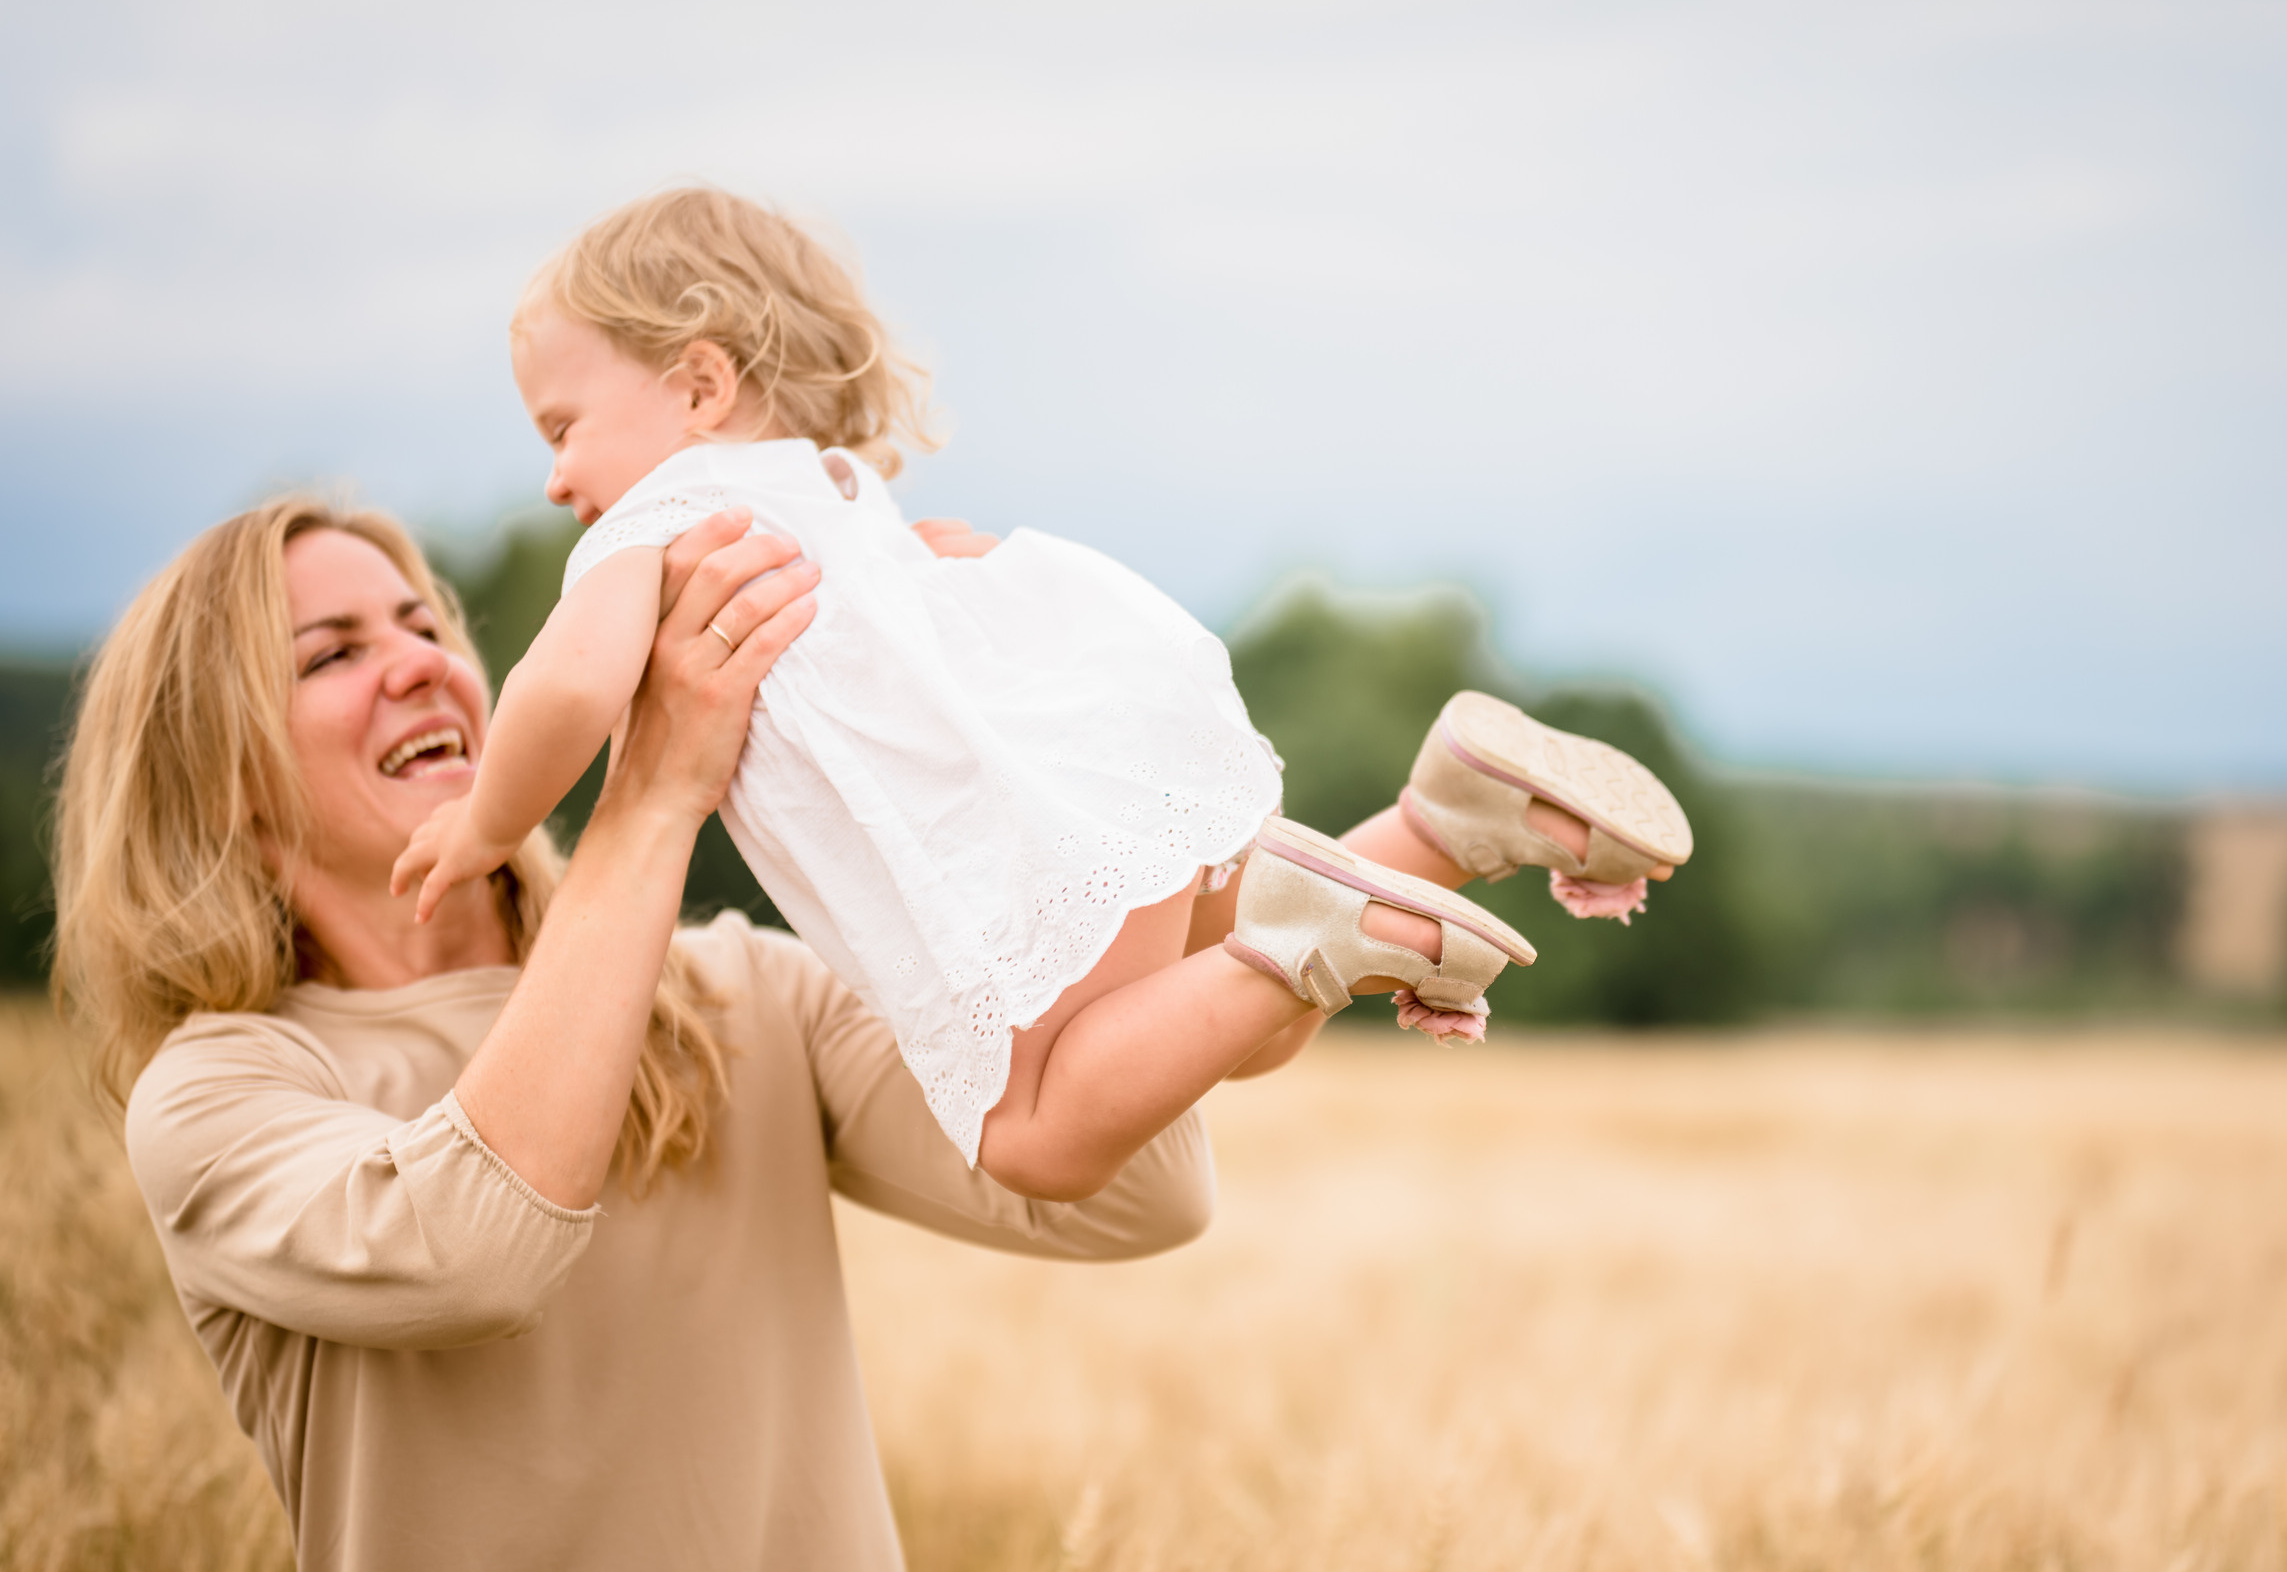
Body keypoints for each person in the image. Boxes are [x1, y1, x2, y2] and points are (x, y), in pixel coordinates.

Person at [50, 488, 1689, 1572]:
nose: (417, 664)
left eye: (424, 623)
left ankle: (1424, 831)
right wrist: (658, 792)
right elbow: (480, 1236)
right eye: (334, 652)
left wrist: (1335, 912)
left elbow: (1128, 1182)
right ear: (221, 772)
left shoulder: (735, 1001)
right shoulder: (224, 1095)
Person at [394, 186, 1692, 1197]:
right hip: (1112, 760)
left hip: (1017, 852)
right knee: (1235, 1027)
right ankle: (1444, 818)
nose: (557, 482)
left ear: (697, 383)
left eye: (561, 428)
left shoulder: (667, 517)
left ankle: (1327, 919)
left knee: (1035, 1135)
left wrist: (491, 823)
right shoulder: (841, 496)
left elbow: (563, 689)